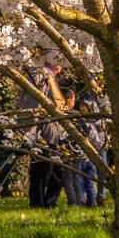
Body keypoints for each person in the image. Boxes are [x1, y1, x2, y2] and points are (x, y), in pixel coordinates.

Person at [21, 62, 71, 207]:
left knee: (57, 173)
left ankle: (49, 202)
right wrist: (31, 131)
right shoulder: (40, 75)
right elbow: (33, 105)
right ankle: (38, 203)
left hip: (54, 132)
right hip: (42, 133)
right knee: (42, 171)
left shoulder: (50, 76)